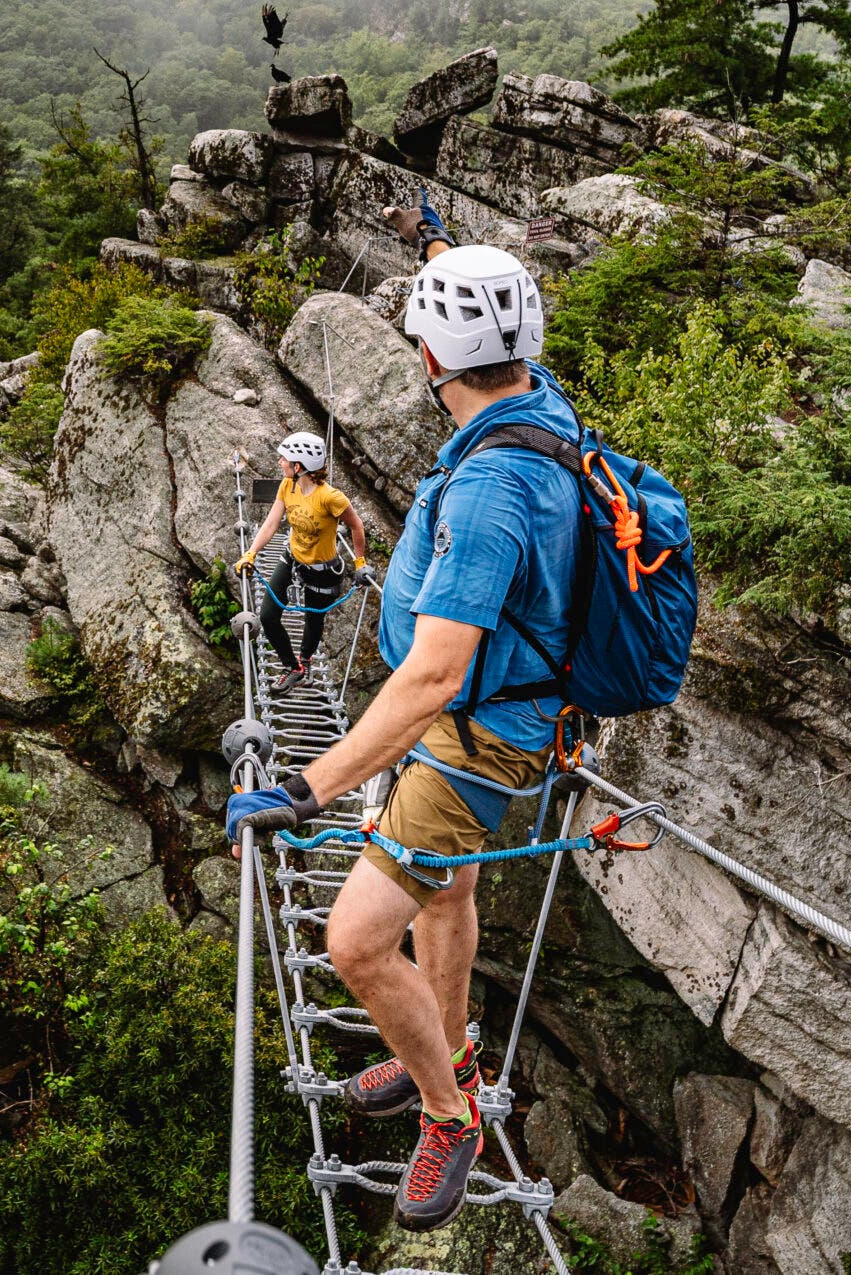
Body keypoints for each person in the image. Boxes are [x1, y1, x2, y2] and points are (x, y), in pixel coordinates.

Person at [225, 197, 581, 1233]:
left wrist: (303, 786)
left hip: (468, 739)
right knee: (446, 896)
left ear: (434, 354)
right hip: (497, 717)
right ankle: (447, 1041)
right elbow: (484, 328)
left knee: (354, 942)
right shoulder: (536, 408)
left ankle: (447, 1109)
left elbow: (431, 675)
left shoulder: (489, 491)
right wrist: (435, 243)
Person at [235, 431, 369, 682]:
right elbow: (272, 522)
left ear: (299, 466)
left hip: (323, 569)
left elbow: (356, 526)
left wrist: (360, 562)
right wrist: (251, 553)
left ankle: (305, 661)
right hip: (292, 556)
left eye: (284, 459)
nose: (280, 462)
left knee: (314, 619)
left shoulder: (330, 497)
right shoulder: (288, 485)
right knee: (267, 616)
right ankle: (292, 667)